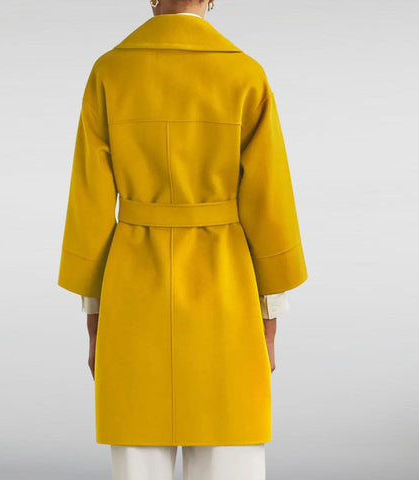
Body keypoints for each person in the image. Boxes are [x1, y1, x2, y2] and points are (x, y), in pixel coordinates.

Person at [57, 1, 308, 479]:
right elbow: (270, 208)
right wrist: (269, 322)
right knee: (230, 452)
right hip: (226, 291)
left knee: (137, 457)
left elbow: (88, 208)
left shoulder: (110, 72)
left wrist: (94, 321)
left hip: (133, 291)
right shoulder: (245, 75)